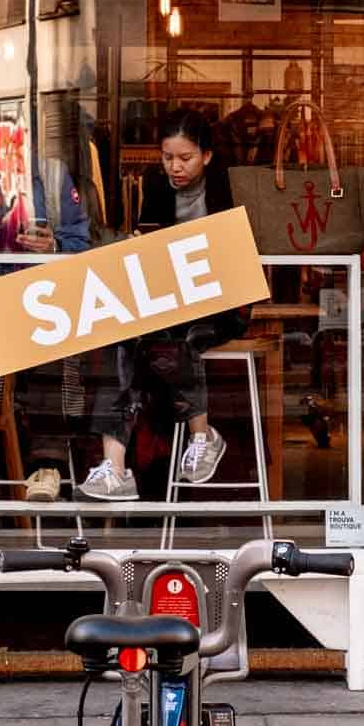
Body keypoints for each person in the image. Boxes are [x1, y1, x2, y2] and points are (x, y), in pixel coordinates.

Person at [80, 109, 245, 502]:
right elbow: (149, 243)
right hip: (172, 298)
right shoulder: (156, 185)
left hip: (223, 300)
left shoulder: (230, 184)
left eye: (185, 158)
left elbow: (240, 252)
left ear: (206, 155)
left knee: (178, 337)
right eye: (168, 157)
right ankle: (116, 468)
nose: (175, 167)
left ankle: (203, 434)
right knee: (124, 336)